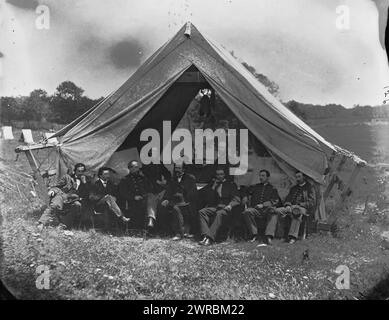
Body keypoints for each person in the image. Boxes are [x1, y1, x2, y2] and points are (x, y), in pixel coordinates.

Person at [38, 163, 90, 229]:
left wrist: (85, 183)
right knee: (54, 204)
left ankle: (63, 225)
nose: (80, 173)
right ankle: (41, 223)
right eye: (78, 171)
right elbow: (57, 186)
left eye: (82, 171)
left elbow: (89, 193)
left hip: (75, 199)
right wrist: (53, 191)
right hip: (63, 195)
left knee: (77, 205)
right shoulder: (67, 177)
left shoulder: (87, 180)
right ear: (75, 171)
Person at [198, 167, 240, 246]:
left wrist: (230, 206)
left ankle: (210, 238)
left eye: (221, 174)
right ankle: (205, 236)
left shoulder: (231, 185)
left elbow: (236, 199)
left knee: (219, 214)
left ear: (224, 175)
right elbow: (208, 199)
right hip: (216, 207)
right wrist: (213, 188)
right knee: (202, 212)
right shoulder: (213, 185)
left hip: (226, 208)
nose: (219, 176)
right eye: (217, 174)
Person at [276, 171, 316, 244]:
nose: (297, 179)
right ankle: (281, 235)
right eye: (296, 177)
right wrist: (288, 205)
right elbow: (288, 198)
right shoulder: (294, 188)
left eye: (299, 177)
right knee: (277, 211)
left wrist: (299, 204)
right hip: (291, 207)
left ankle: (292, 237)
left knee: (296, 212)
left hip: (303, 208)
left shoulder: (309, 187)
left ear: (304, 177)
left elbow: (312, 202)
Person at [242, 169, 280, 245]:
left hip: (267, 210)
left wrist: (263, 205)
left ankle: (269, 236)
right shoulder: (255, 187)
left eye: (263, 176)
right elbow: (244, 189)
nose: (261, 177)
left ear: (268, 177)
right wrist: (245, 196)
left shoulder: (272, 188)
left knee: (274, 213)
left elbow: (275, 201)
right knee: (247, 212)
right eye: (260, 175)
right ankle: (254, 235)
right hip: (256, 210)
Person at [161, 162, 197, 241]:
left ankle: (181, 233)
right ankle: (177, 232)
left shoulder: (190, 178)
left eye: (179, 168)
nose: (177, 170)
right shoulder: (172, 179)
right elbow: (168, 191)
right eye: (176, 168)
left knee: (179, 209)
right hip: (174, 201)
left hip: (187, 201)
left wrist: (186, 200)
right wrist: (166, 199)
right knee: (173, 208)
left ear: (184, 169)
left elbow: (193, 192)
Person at [118, 160, 153, 228]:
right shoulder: (125, 179)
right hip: (133, 201)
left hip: (144, 199)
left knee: (151, 196)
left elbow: (150, 188)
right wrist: (134, 197)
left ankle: (150, 220)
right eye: (135, 167)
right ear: (130, 168)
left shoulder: (142, 178)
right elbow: (123, 193)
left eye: (137, 167)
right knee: (149, 200)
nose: (137, 169)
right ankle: (150, 219)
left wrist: (144, 177)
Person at [141, 153, 171, 229]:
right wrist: (157, 181)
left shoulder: (159, 163)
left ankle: (153, 221)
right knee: (151, 200)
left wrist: (166, 181)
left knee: (160, 202)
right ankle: (151, 219)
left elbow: (167, 173)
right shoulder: (146, 165)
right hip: (150, 190)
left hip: (160, 190)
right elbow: (147, 176)